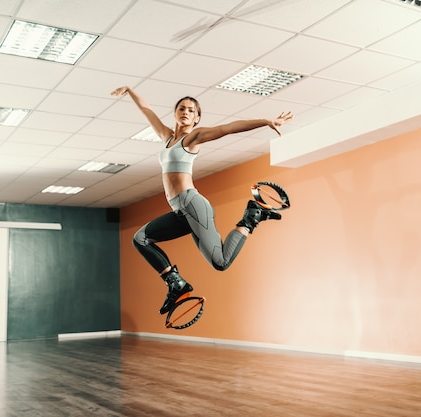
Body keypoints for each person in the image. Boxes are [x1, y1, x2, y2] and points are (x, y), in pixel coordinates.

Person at [111, 86, 294, 314]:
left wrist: (266, 121)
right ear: (175, 113)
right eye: (181, 108)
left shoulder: (193, 138)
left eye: (191, 110)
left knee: (221, 262)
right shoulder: (167, 138)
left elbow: (228, 128)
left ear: (197, 118)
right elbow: (147, 111)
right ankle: (176, 284)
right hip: (181, 211)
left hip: (193, 205)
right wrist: (130, 90)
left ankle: (251, 217)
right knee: (141, 239)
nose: (185, 112)